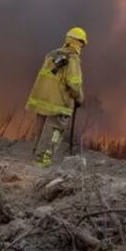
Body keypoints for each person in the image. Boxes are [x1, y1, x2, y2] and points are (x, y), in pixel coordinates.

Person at [26, 27, 86, 167]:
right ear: (80, 43)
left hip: (42, 100)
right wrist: (79, 98)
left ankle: (35, 159)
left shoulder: (51, 55)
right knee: (54, 133)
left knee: (41, 132)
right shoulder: (73, 59)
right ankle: (41, 162)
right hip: (59, 103)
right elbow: (74, 84)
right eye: (82, 43)